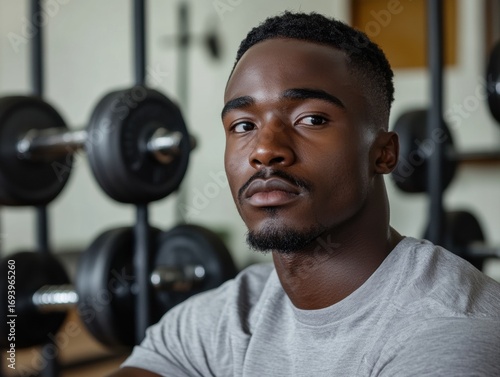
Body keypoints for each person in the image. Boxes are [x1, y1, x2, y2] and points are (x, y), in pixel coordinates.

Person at [110, 12, 500, 376]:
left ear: (384, 153)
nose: (264, 149)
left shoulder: (448, 334)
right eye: (243, 125)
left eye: (311, 119)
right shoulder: (225, 319)